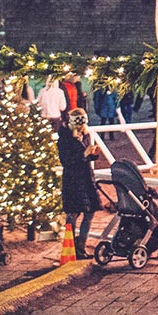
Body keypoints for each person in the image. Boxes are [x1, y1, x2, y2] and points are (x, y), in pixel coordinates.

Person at [55, 108, 101, 259]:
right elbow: (66, 161)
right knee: (73, 213)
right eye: (79, 126)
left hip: (86, 178)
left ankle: (81, 245)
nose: (82, 129)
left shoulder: (85, 135)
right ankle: (72, 247)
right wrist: (84, 154)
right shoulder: (65, 138)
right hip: (73, 180)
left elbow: (86, 156)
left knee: (89, 212)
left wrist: (93, 154)